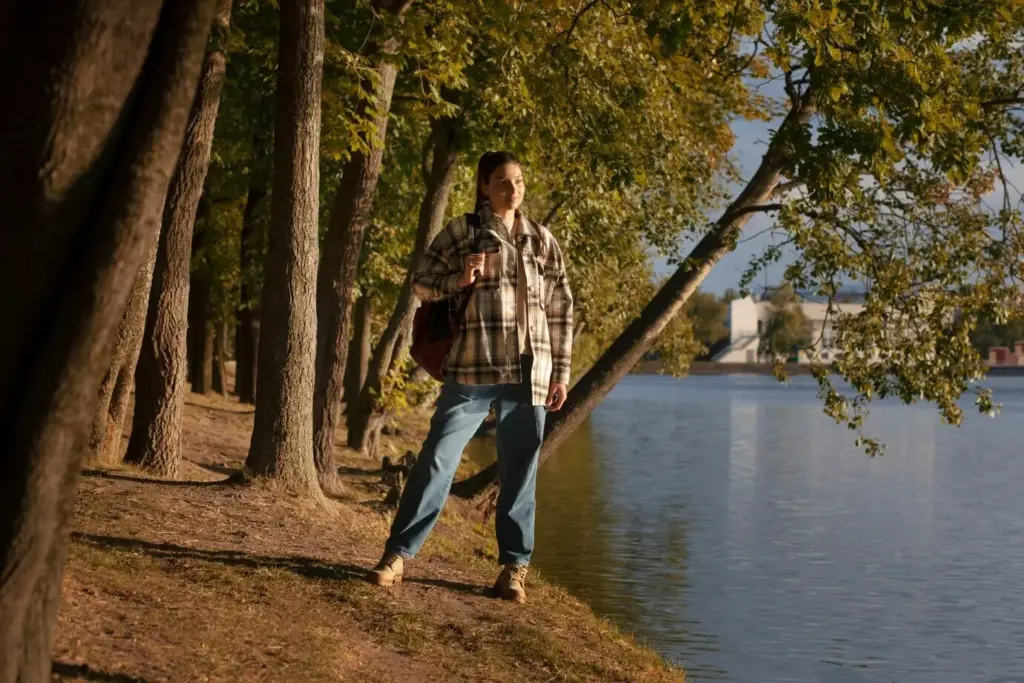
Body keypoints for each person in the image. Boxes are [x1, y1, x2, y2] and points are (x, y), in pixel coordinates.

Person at [366, 151, 574, 604]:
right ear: (484, 186)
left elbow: (560, 307)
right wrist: (459, 280)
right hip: (472, 367)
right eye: (502, 181)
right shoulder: (463, 231)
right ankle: (397, 555)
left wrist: (560, 371)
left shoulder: (541, 239)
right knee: (437, 459)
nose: (513, 189)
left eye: (519, 181)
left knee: (520, 471)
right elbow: (420, 283)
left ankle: (514, 569)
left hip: (530, 371)